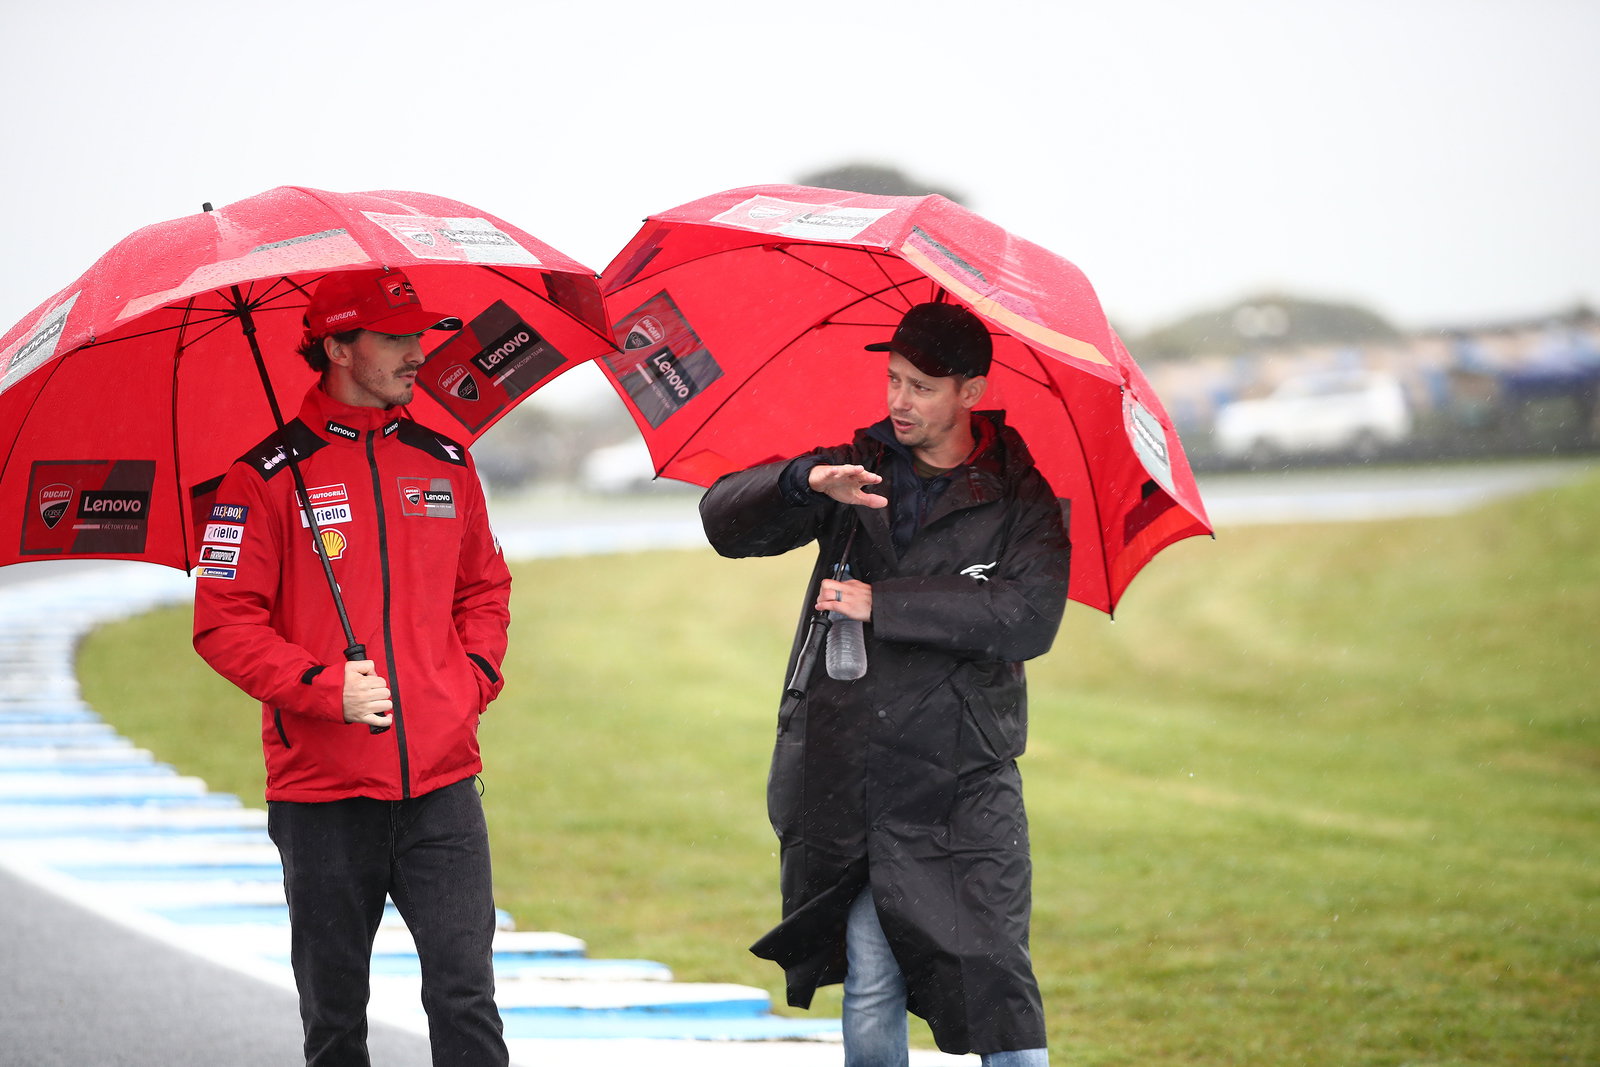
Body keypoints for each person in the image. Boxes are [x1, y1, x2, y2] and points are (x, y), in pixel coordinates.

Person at [699, 301, 1071, 1066]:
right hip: (857, 778)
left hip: (965, 782)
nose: (900, 400)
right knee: (870, 980)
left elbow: (1028, 619)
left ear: (971, 392)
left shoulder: (1022, 496)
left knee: (998, 982)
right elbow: (722, 524)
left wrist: (887, 604)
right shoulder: (853, 470)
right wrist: (802, 481)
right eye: (894, 379)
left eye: (921, 387)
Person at [193, 268, 512, 1066]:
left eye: (419, 335)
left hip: (442, 784)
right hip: (324, 795)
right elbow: (223, 623)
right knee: (335, 1020)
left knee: (466, 998)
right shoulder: (260, 478)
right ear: (337, 347)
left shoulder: (447, 460)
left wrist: (469, 680)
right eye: (396, 338)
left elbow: (485, 589)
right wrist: (320, 688)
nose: (418, 353)